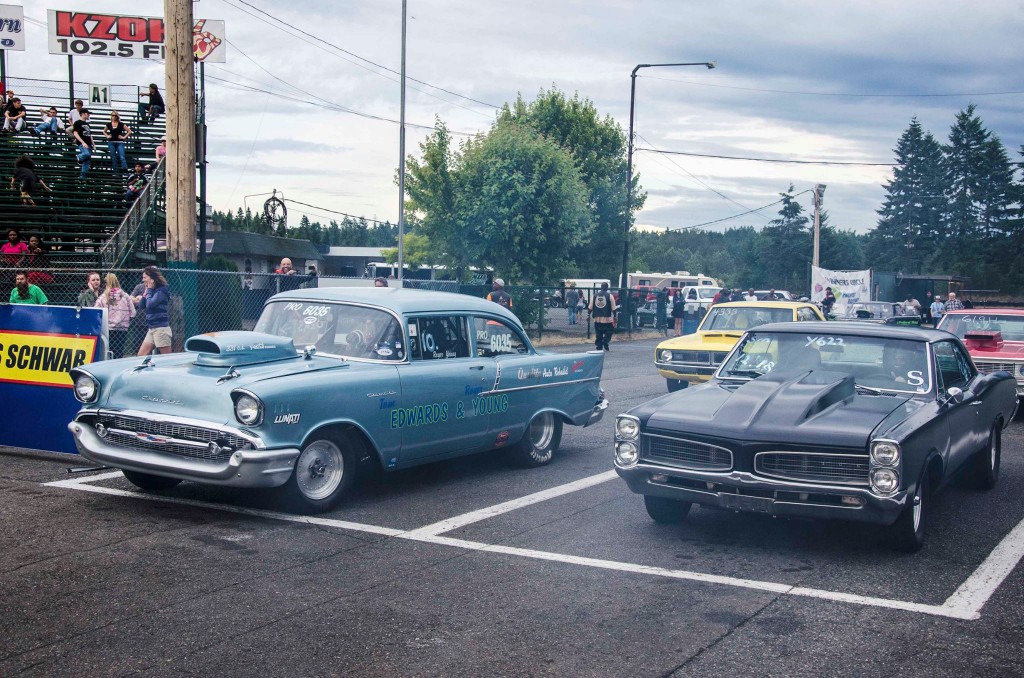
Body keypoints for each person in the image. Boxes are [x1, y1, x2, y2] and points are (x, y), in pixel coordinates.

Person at [132, 266, 172, 355]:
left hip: (161, 329)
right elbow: (142, 305)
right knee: (141, 355)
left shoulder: (161, 290)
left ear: (152, 278)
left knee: (167, 358)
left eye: (145, 277)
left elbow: (150, 305)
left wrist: (149, 290)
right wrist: (145, 293)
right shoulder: (150, 291)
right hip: (152, 328)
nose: (143, 280)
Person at [96, 273, 136, 359]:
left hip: (108, 328)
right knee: (119, 350)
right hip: (122, 328)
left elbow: (96, 311)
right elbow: (133, 313)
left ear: (106, 283)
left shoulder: (103, 297)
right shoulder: (125, 296)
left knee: (108, 350)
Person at [589, 282, 617, 351]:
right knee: (609, 332)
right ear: (607, 288)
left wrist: (588, 314)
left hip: (597, 318)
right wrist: (615, 316)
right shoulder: (610, 296)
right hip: (607, 318)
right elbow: (614, 308)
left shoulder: (595, 296)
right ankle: (605, 341)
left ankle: (599, 346)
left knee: (598, 333)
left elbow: (590, 307)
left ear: (601, 287)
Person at [72, 109, 95, 179]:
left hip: (89, 144)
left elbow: (90, 135)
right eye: (87, 113)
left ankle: (83, 177)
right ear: (83, 114)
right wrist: (82, 142)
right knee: (86, 154)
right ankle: (79, 157)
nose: (88, 115)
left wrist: (93, 145)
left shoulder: (87, 124)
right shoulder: (77, 123)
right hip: (83, 143)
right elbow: (75, 133)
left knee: (87, 162)